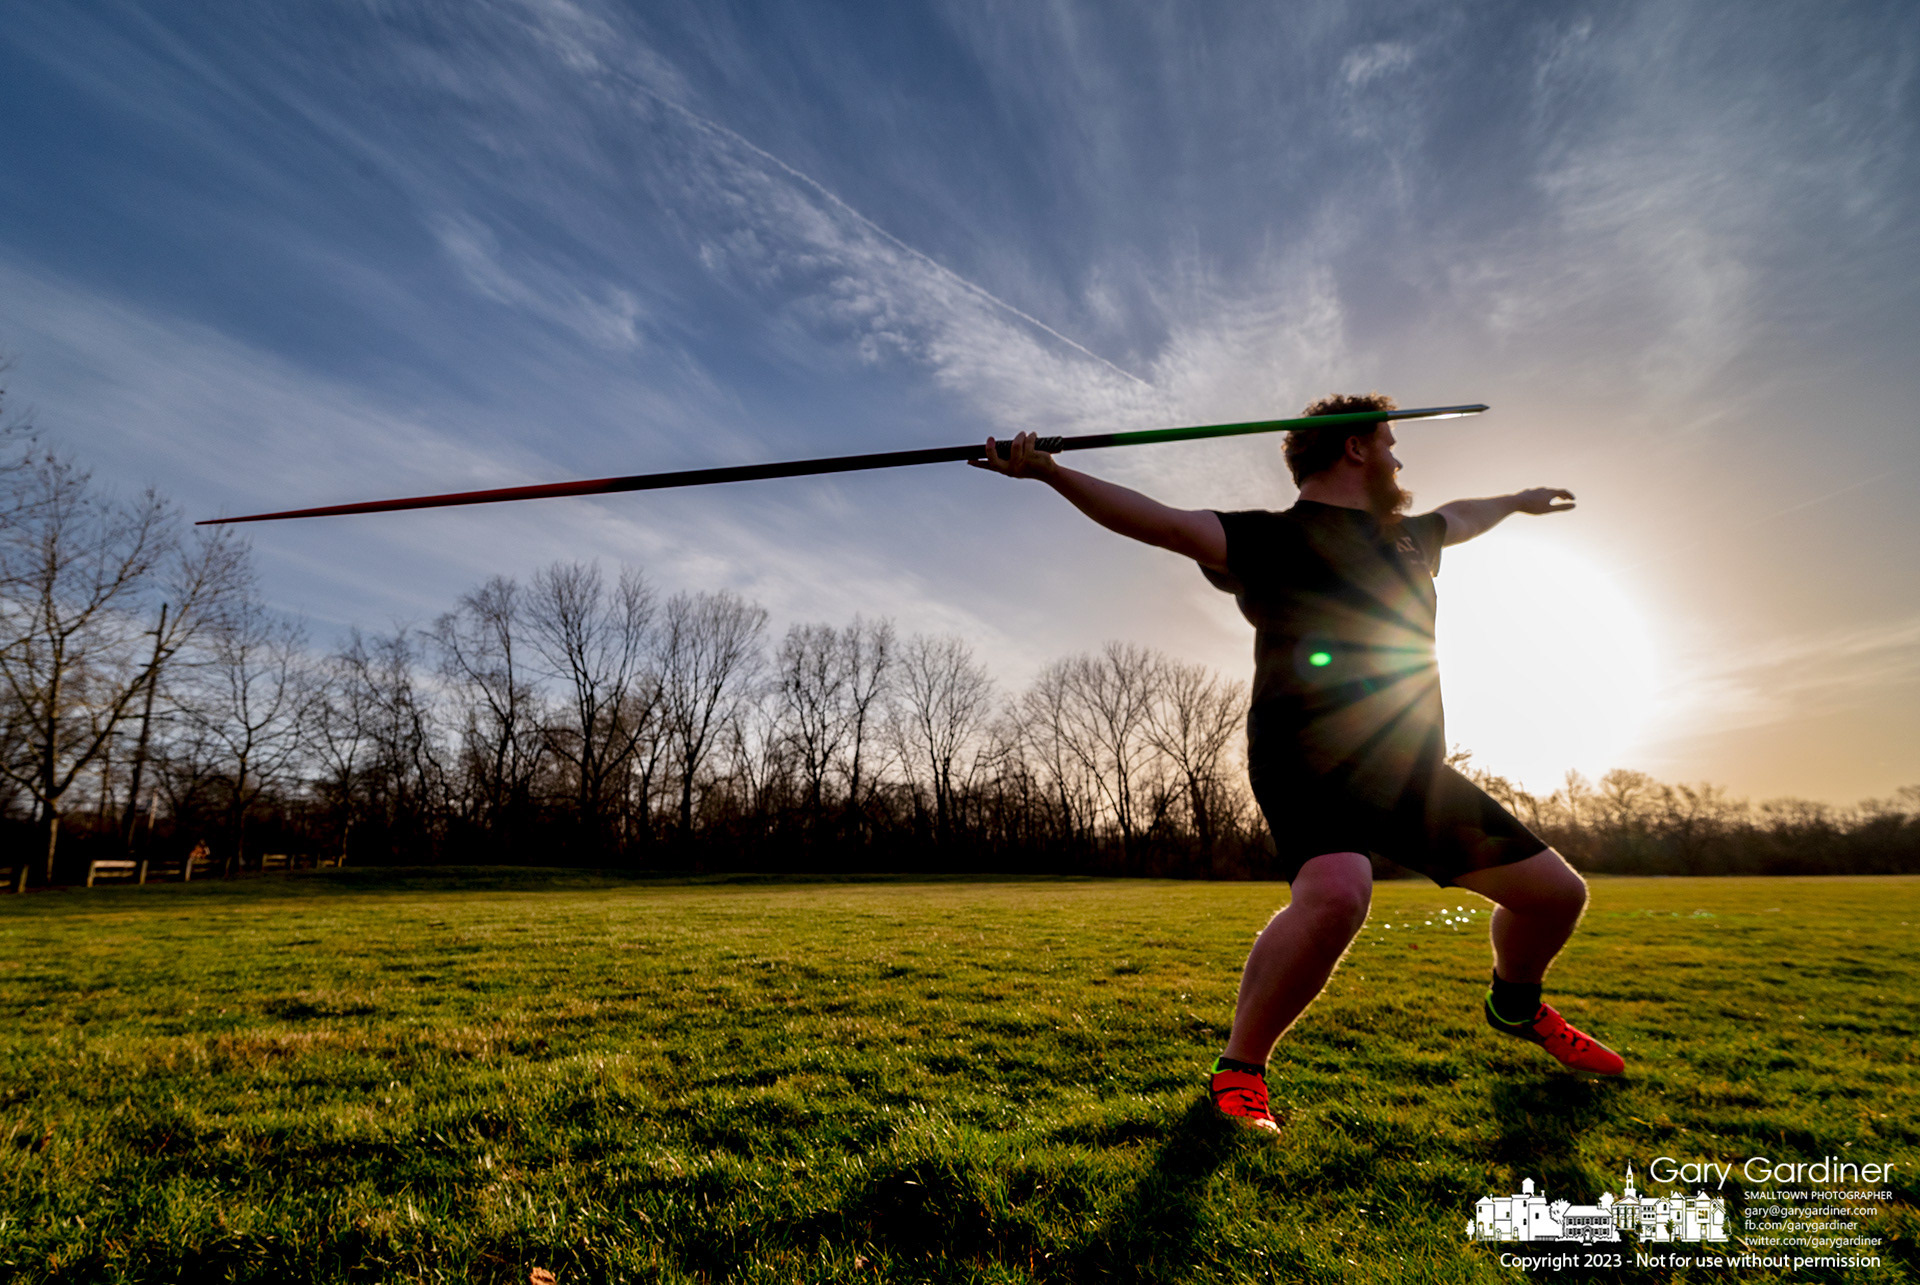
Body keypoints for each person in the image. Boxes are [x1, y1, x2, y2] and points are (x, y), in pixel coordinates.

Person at [969, 392, 1624, 1135]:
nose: (1399, 459)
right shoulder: (1273, 539)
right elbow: (1159, 521)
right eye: (1390, 444)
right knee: (1340, 891)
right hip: (1306, 754)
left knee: (1556, 895)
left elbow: (1464, 514)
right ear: (1355, 449)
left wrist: (1517, 499)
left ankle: (1514, 1002)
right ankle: (1240, 1071)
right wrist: (1049, 473)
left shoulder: (1409, 539)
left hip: (1409, 764)